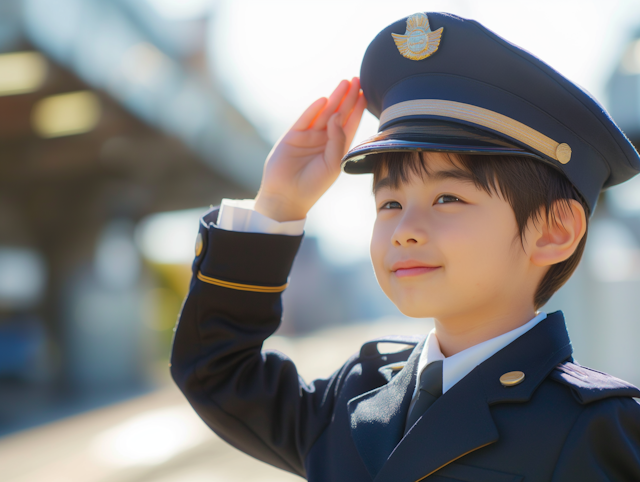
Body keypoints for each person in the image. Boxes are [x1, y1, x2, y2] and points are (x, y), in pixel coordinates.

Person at [170, 12, 640, 481]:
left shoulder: (596, 429)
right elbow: (216, 370)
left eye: (447, 197)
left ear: (553, 231)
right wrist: (277, 204)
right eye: (390, 203)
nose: (404, 230)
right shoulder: (356, 395)